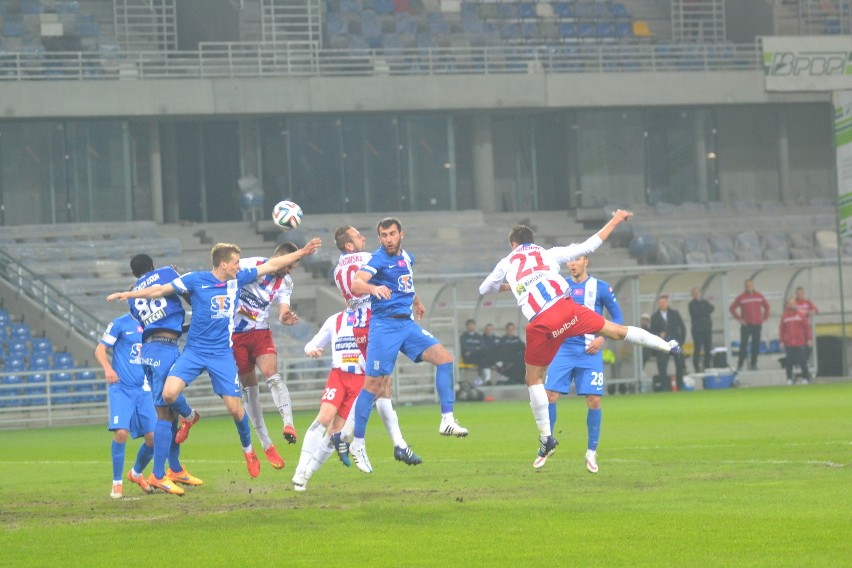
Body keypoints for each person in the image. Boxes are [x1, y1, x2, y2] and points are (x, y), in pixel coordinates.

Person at [479, 211, 681, 469]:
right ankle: (668, 346)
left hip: (542, 323)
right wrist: (617, 219)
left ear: (514, 245)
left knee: (534, 380)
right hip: (569, 311)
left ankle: (545, 439)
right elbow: (590, 244)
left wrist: (511, 285)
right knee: (616, 331)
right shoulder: (548, 253)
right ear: (532, 240)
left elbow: (484, 289)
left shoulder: (506, 263)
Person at [108, 238, 321, 479]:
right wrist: (128, 293)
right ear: (222, 264)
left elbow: (271, 266)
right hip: (195, 351)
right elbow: (159, 290)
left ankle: (249, 451)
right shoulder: (195, 279)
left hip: (221, 354)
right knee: (168, 394)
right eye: (235, 263)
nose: (239, 267)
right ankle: (189, 417)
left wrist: (302, 252)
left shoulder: (238, 279)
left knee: (234, 409)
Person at [347, 218, 468, 473]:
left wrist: (417, 301)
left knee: (445, 359)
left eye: (392, 234)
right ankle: (357, 443)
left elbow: (407, 281)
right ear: (379, 238)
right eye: (383, 235)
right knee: (373, 385)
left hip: (407, 325)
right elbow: (356, 283)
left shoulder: (407, 257)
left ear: (401, 234)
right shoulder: (378, 259)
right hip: (384, 327)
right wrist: (373, 287)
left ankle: (447, 419)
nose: (388, 239)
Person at [291, 308, 421, 491]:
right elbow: (311, 344)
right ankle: (300, 468)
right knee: (324, 418)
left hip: (361, 381)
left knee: (335, 431)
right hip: (339, 376)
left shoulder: (374, 319)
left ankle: (306, 476)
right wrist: (311, 350)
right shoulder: (335, 320)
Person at [327, 224, 421, 469]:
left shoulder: (337, 270)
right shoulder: (372, 258)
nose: (363, 238)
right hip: (376, 323)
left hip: (359, 326)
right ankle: (355, 440)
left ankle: (391, 443)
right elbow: (399, 277)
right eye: (358, 236)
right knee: (379, 386)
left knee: (379, 385)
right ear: (349, 244)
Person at [127, 254, 203, 496]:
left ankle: (176, 469)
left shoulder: (133, 296)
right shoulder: (166, 273)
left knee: (167, 413)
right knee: (165, 411)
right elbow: (190, 295)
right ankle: (159, 475)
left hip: (149, 349)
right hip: (164, 349)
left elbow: (157, 322)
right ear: (151, 266)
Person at [544, 254, 622, 474]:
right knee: (549, 395)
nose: (572, 264)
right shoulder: (560, 287)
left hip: (590, 350)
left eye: (576, 260)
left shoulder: (601, 287)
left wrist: (602, 338)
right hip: (564, 350)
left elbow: (617, 317)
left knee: (594, 400)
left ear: (586, 262)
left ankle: (591, 451)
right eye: (569, 261)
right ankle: (547, 442)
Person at [232, 242, 302, 471]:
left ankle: (289, 424)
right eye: (289, 266)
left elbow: (282, 307)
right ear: (278, 257)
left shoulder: (286, 282)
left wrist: (285, 317)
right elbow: (227, 279)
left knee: (272, 374)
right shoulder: (250, 265)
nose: (289, 271)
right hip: (236, 335)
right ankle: (266, 444)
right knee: (250, 388)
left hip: (260, 332)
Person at [95, 312, 156, 499]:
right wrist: (108, 369)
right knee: (121, 432)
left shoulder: (153, 323)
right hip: (121, 387)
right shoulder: (120, 323)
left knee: (154, 438)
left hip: (144, 388)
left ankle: (136, 474)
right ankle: (117, 483)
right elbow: (100, 349)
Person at [729, 279, 770, 371]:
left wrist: (764, 318)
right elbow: (732, 308)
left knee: (756, 345)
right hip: (746, 325)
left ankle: (754, 364)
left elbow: (767, 307)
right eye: (747, 286)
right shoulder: (741, 297)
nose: (749, 287)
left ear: (753, 286)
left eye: (750, 285)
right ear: (745, 287)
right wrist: (740, 319)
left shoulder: (759, 296)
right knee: (743, 345)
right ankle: (740, 365)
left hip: (757, 324)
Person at [650, 294, 687, 390]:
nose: (662, 304)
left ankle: (680, 385)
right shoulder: (655, 317)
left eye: (664, 302)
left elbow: (682, 328)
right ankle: (665, 387)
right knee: (662, 365)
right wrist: (659, 334)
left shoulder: (675, 314)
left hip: (675, 342)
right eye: (660, 303)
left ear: (667, 303)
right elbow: (651, 332)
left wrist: (681, 341)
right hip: (662, 344)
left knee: (679, 364)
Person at [779, 297, 812, 385]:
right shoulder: (784, 316)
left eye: (793, 303)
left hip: (800, 342)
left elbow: (807, 328)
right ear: (787, 305)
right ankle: (789, 379)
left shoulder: (801, 315)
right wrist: (781, 341)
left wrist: (809, 339)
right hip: (789, 343)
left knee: (803, 361)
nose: (792, 305)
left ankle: (806, 378)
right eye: (790, 303)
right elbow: (782, 329)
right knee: (789, 362)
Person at [688, 287, 714, 373]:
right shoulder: (691, 304)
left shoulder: (704, 302)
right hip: (697, 331)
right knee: (697, 349)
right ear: (692, 295)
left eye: (698, 292)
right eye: (695, 293)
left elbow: (712, 308)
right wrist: (704, 310)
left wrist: (703, 310)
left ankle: (707, 366)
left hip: (707, 329)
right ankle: (696, 366)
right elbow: (696, 313)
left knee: (708, 349)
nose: (697, 294)